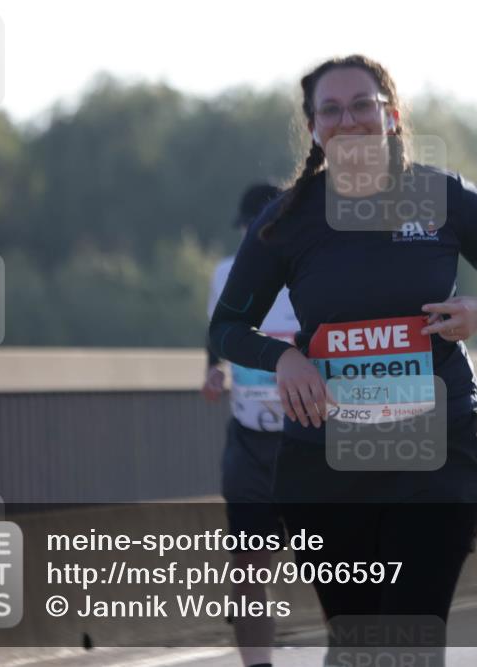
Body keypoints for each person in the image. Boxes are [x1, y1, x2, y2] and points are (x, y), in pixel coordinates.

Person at [208, 55, 477, 663]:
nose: (348, 120)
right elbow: (228, 326)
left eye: (362, 104)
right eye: (330, 110)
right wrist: (284, 361)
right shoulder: (287, 219)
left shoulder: (447, 196)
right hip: (328, 461)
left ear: (390, 115)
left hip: (438, 448)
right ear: (313, 127)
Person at [203, 183, 295, 667]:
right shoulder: (225, 274)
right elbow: (217, 333)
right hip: (249, 441)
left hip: (309, 441)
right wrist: (212, 368)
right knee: (248, 564)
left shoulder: (310, 274)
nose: (250, 240)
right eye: (246, 232)